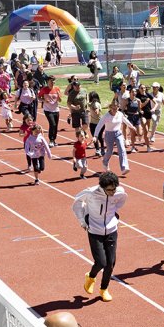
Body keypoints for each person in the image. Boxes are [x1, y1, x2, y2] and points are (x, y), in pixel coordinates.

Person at [72, 172, 127, 302]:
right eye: (109, 190)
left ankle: (104, 289)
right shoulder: (91, 193)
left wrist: (113, 213)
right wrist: (82, 221)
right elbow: (77, 203)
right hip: (95, 231)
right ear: (102, 187)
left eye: (114, 189)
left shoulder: (119, 191)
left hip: (111, 230)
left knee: (111, 263)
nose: (112, 192)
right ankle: (90, 277)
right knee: (101, 262)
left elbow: (122, 199)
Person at [92, 101, 129, 176]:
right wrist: (95, 136)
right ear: (111, 107)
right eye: (114, 106)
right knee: (110, 151)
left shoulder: (120, 114)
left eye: (117, 106)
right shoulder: (106, 116)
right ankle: (105, 161)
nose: (115, 108)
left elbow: (125, 121)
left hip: (118, 133)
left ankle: (124, 167)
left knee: (122, 149)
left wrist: (132, 127)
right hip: (109, 134)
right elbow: (99, 125)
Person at [38, 76, 62, 146]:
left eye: (53, 81)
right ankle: (51, 140)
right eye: (51, 81)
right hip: (48, 110)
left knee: (56, 125)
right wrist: (44, 100)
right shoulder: (44, 89)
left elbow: (60, 100)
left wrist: (58, 97)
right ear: (48, 81)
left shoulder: (57, 89)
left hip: (56, 109)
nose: (52, 82)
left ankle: (54, 140)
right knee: (52, 124)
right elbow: (38, 97)